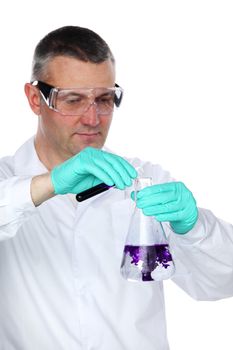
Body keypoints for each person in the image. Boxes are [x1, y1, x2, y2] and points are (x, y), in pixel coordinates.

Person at [0, 25, 233, 350]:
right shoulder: (6, 177)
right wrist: (49, 184)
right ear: (35, 99)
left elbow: (222, 282)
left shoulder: (144, 181)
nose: (93, 118)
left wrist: (194, 229)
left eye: (105, 99)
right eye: (73, 100)